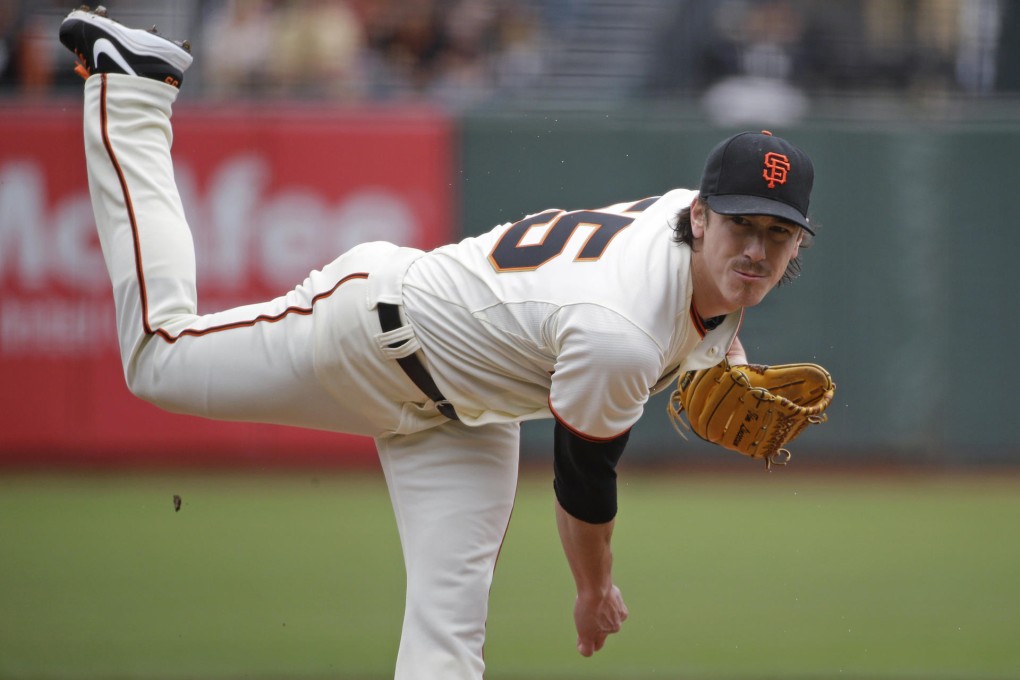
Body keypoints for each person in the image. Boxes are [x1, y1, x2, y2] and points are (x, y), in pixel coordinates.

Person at [58, 6, 816, 679]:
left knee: (448, 645)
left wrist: (728, 354)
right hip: (372, 335)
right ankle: (132, 91)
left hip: (470, 418)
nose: (756, 247)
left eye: (777, 235)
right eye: (742, 224)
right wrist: (593, 591)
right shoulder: (620, 331)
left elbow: (709, 303)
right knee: (159, 358)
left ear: (796, 251)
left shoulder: (687, 222)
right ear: (702, 219)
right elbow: (584, 487)